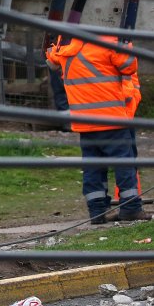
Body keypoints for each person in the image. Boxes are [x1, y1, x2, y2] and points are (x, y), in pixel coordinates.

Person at [47, 34, 147, 223]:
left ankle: (97, 212)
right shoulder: (108, 39)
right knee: (123, 163)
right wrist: (125, 41)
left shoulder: (65, 40)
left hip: (83, 121)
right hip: (111, 118)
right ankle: (131, 208)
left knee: (93, 166)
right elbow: (129, 66)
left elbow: (52, 61)